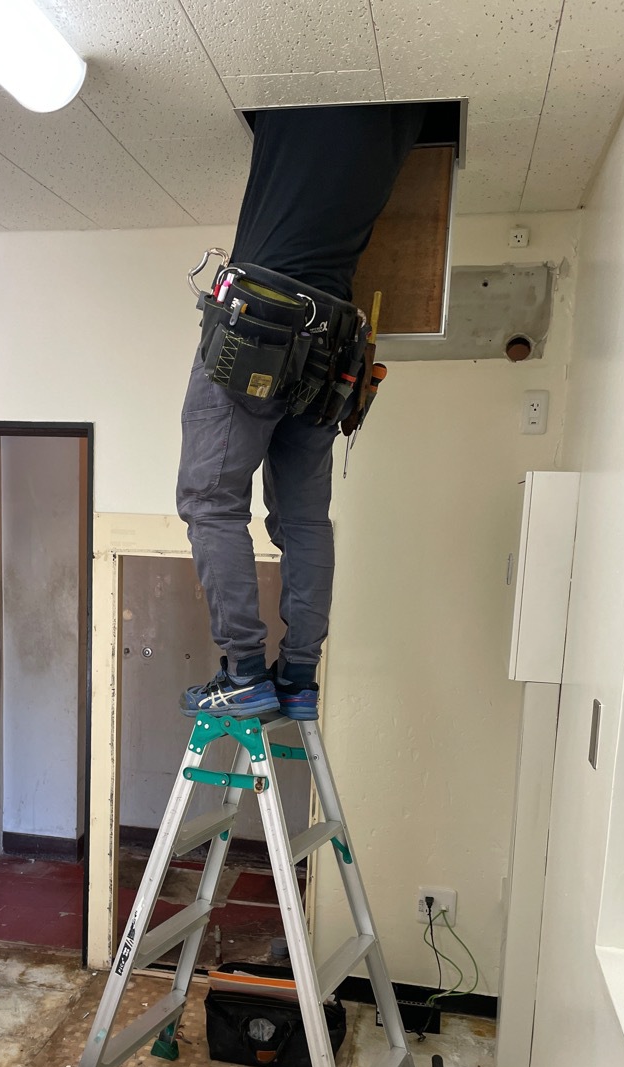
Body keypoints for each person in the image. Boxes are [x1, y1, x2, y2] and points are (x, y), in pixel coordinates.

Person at [176, 102, 423, 721]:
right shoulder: (404, 115)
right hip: (333, 339)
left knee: (212, 501)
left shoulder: (298, 90)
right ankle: (299, 675)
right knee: (304, 519)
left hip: (263, 314)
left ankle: (244, 672)